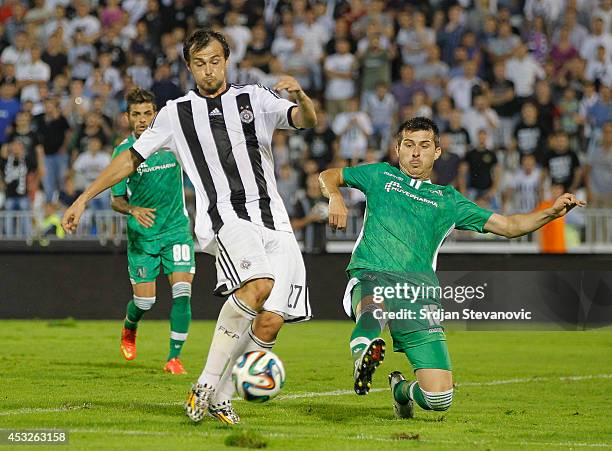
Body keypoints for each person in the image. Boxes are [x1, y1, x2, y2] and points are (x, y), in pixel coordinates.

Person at [61, 29, 316, 425]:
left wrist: (300, 97)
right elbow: (130, 159)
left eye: (215, 61)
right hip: (225, 216)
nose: (208, 70)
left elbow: (306, 120)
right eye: (200, 63)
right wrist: (82, 198)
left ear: (226, 60)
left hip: (275, 220)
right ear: (189, 66)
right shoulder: (175, 113)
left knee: (271, 319)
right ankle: (205, 383)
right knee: (258, 285)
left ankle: (223, 396)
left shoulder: (255, 98)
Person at [318, 117, 584, 419]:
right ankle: (363, 350)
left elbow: (509, 226)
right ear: (397, 150)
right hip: (372, 274)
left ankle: (401, 391)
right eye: (409, 145)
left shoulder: (448, 201)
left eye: (424, 146)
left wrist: (550, 212)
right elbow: (328, 175)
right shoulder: (379, 175)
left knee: (439, 398)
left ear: (437, 152)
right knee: (373, 310)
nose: (415, 153)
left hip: (418, 293)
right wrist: (335, 195)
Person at [109, 87, 195, 375]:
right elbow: (116, 199)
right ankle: (130, 327)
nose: (143, 120)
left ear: (155, 114)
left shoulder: (172, 142)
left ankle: (174, 358)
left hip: (176, 230)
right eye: (136, 114)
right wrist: (132, 209)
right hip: (143, 236)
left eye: (148, 113)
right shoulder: (123, 152)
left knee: (183, 292)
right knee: (145, 301)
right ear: (127, 117)